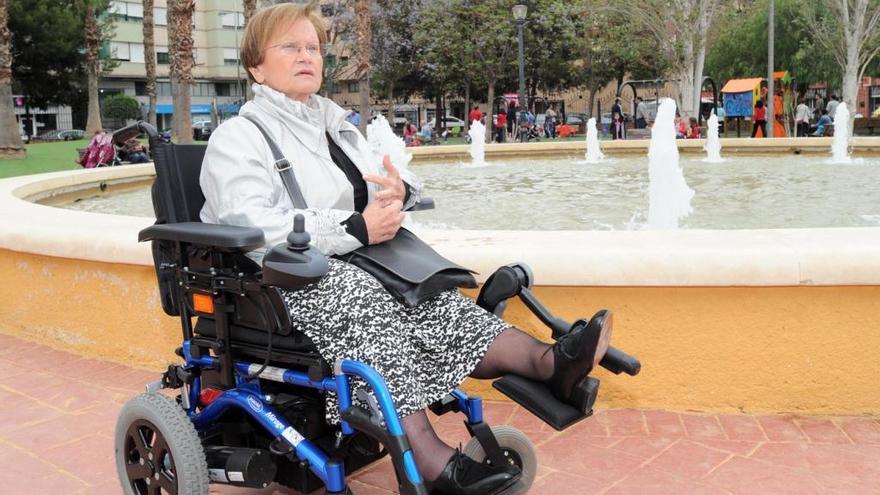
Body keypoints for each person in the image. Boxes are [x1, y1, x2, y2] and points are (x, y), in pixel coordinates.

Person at [200, 5, 612, 493]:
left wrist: (401, 192)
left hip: (352, 261)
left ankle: (552, 364)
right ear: (255, 65)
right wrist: (353, 226)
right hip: (280, 280)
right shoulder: (238, 138)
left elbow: (392, 173)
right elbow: (251, 222)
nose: (306, 56)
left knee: (427, 295)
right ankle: (429, 459)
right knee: (361, 295)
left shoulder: (334, 126)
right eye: (290, 47)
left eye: (312, 47)